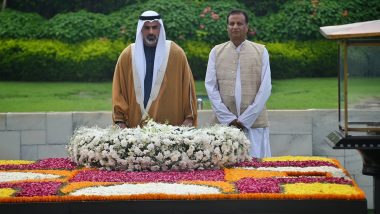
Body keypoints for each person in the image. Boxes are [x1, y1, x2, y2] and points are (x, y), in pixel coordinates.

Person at [112, 10, 197, 128]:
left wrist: (189, 118)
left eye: (154, 27)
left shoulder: (175, 53)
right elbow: (118, 90)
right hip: (133, 131)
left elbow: (188, 89)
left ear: (160, 29)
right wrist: (119, 121)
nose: (151, 32)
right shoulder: (128, 55)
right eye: (146, 28)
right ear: (141, 29)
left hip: (171, 131)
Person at [205, 9, 272, 158]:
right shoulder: (216, 52)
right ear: (227, 27)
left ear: (247, 27)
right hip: (223, 125)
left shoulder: (261, 51)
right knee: (223, 168)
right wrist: (228, 118)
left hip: (254, 125)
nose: (235, 27)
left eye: (239, 23)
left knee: (257, 171)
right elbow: (211, 87)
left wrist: (246, 119)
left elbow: (265, 87)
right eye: (231, 23)